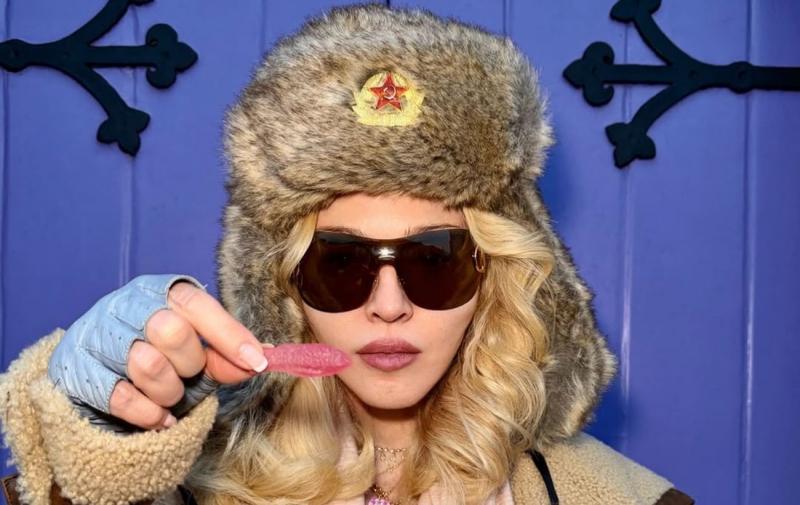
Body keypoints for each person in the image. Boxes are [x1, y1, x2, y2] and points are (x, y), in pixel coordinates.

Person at [0, 4, 694, 505]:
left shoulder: (616, 495)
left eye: (433, 261)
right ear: (283, 286)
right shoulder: (186, 483)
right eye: (341, 265)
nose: (388, 306)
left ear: (492, 277)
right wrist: (100, 439)